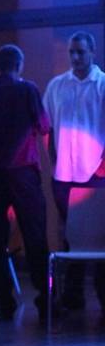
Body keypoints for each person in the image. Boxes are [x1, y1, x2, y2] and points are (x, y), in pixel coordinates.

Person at [0, 44, 50, 320]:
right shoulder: (27, 90)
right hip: (23, 173)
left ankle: (4, 301)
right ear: (20, 64)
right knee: (35, 236)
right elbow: (43, 125)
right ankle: (44, 296)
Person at [44, 31, 105, 312]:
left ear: (92, 52)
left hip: (96, 175)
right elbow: (47, 128)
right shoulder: (57, 86)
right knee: (72, 234)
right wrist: (54, 160)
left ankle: (101, 294)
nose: (75, 57)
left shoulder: (102, 84)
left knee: (98, 235)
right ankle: (73, 294)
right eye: (72, 52)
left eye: (80, 51)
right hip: (66, 175)